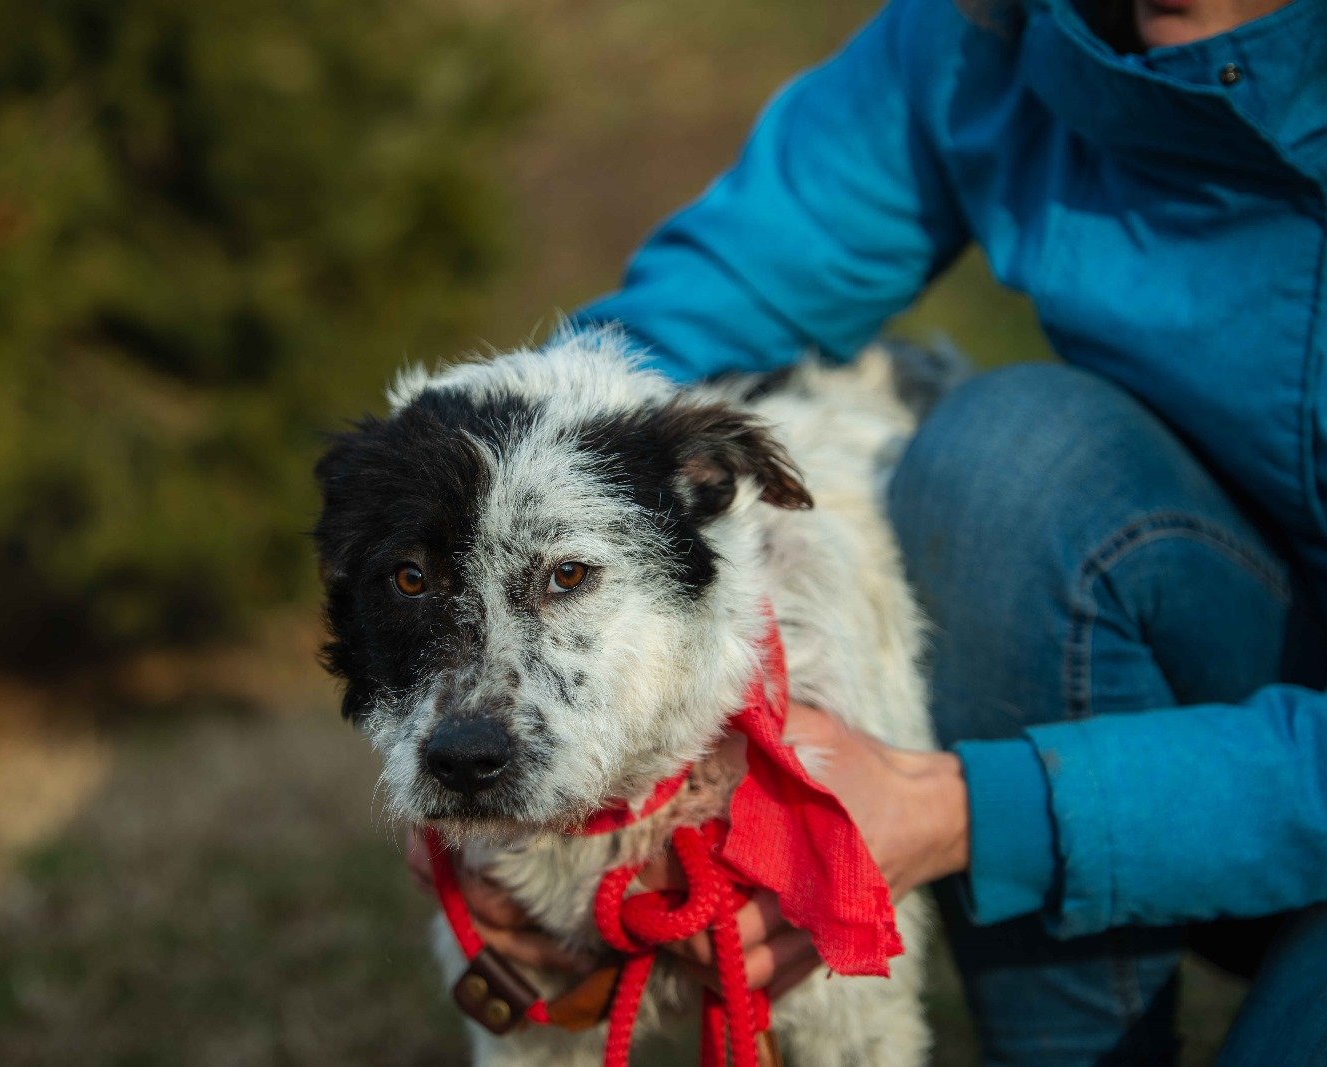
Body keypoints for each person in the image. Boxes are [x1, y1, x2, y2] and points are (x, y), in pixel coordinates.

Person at [405, 0, 1327, 1061]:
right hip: (1250, 654)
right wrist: (458, 730)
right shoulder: (995, 30)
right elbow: (689, 320)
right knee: (1017, 453)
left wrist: (957, 812)